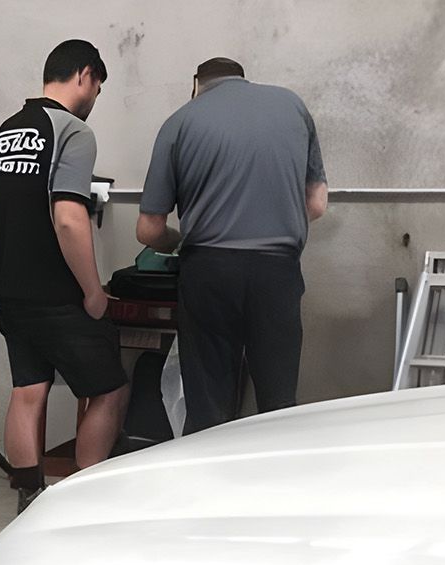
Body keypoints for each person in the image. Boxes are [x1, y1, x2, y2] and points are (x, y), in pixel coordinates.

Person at [137, 57, 328, 434]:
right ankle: (273, 485)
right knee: (278, 403)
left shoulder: (180, 121)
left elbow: (148, 229)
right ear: (243, 79)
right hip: (277, 271)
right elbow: (317, 203)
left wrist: (178, 241)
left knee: (208, 406)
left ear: (197, 83)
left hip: (208, 271)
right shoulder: (291, 105)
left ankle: (210, 487)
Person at [0, 39, 130, 512]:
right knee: (108, 388)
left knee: (29, 387)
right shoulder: (73, 131)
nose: (94, 100)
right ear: (85, 75)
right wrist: (93, 291)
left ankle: (28, 502)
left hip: (7, 286)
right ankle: (82, 506)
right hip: (55, 289)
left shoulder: (9, 128)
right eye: (98, 88)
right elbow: (67, 216)